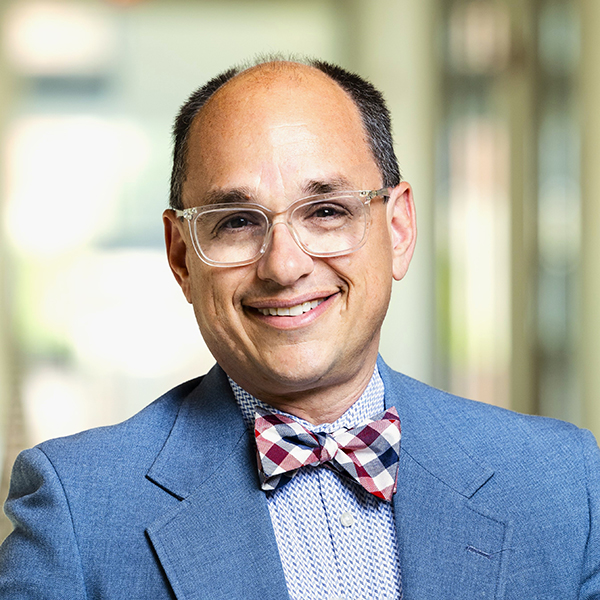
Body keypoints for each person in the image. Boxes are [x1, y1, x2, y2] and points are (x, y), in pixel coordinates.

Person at [0, 57, 599, 600]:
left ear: (398, 230)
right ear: (182, 256)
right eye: (236, 221)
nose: (285, 266)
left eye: (327, 210)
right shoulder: (76, 510)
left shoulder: (561, 483)